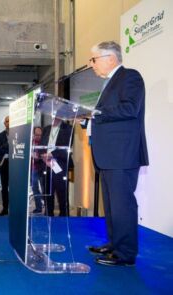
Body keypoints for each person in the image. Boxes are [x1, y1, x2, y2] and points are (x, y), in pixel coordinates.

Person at [85, 41, 148, 266]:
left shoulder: (130, 77)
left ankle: (126, 253)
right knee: (112, 205)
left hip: (122, 153)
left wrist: (95, 113)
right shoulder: (109, 83)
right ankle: (114, 243)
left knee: (123, 205)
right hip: (109, 155)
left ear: (110, 58)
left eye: (94, 59)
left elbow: (130, 108)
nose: (91, 64)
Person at [39, 119, 73, 217]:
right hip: (46, 164)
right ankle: (48, 216)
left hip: (59, 165)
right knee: (47, 194)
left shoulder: (68, 128)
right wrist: (43, 155)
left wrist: (51, 154)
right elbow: (41, 145)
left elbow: (67, 146)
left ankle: (64, 218)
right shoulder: (46, 129)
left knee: (62, 195)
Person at [0, 116, 10, 216]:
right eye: (7, 121)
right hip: (3, 162)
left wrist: (5, 147)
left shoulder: (19, 133)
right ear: (4, 123)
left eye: (11, 121)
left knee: (15, 187)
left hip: (16, 162)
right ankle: (5, 208)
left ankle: (15, 209)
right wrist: (8, 145)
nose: (9, 123)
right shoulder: (1, 135)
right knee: (4, 187)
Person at [31, 127, 44, 214]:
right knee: (35, 189)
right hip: (33, 169)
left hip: (42, 168)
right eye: (36, 135)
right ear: (33, 134)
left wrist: (38, 157)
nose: (38, 136)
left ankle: (47, 207)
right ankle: (38, 208)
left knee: (44, 189)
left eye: (40, 135)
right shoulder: (31, 143)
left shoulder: (44, 142)